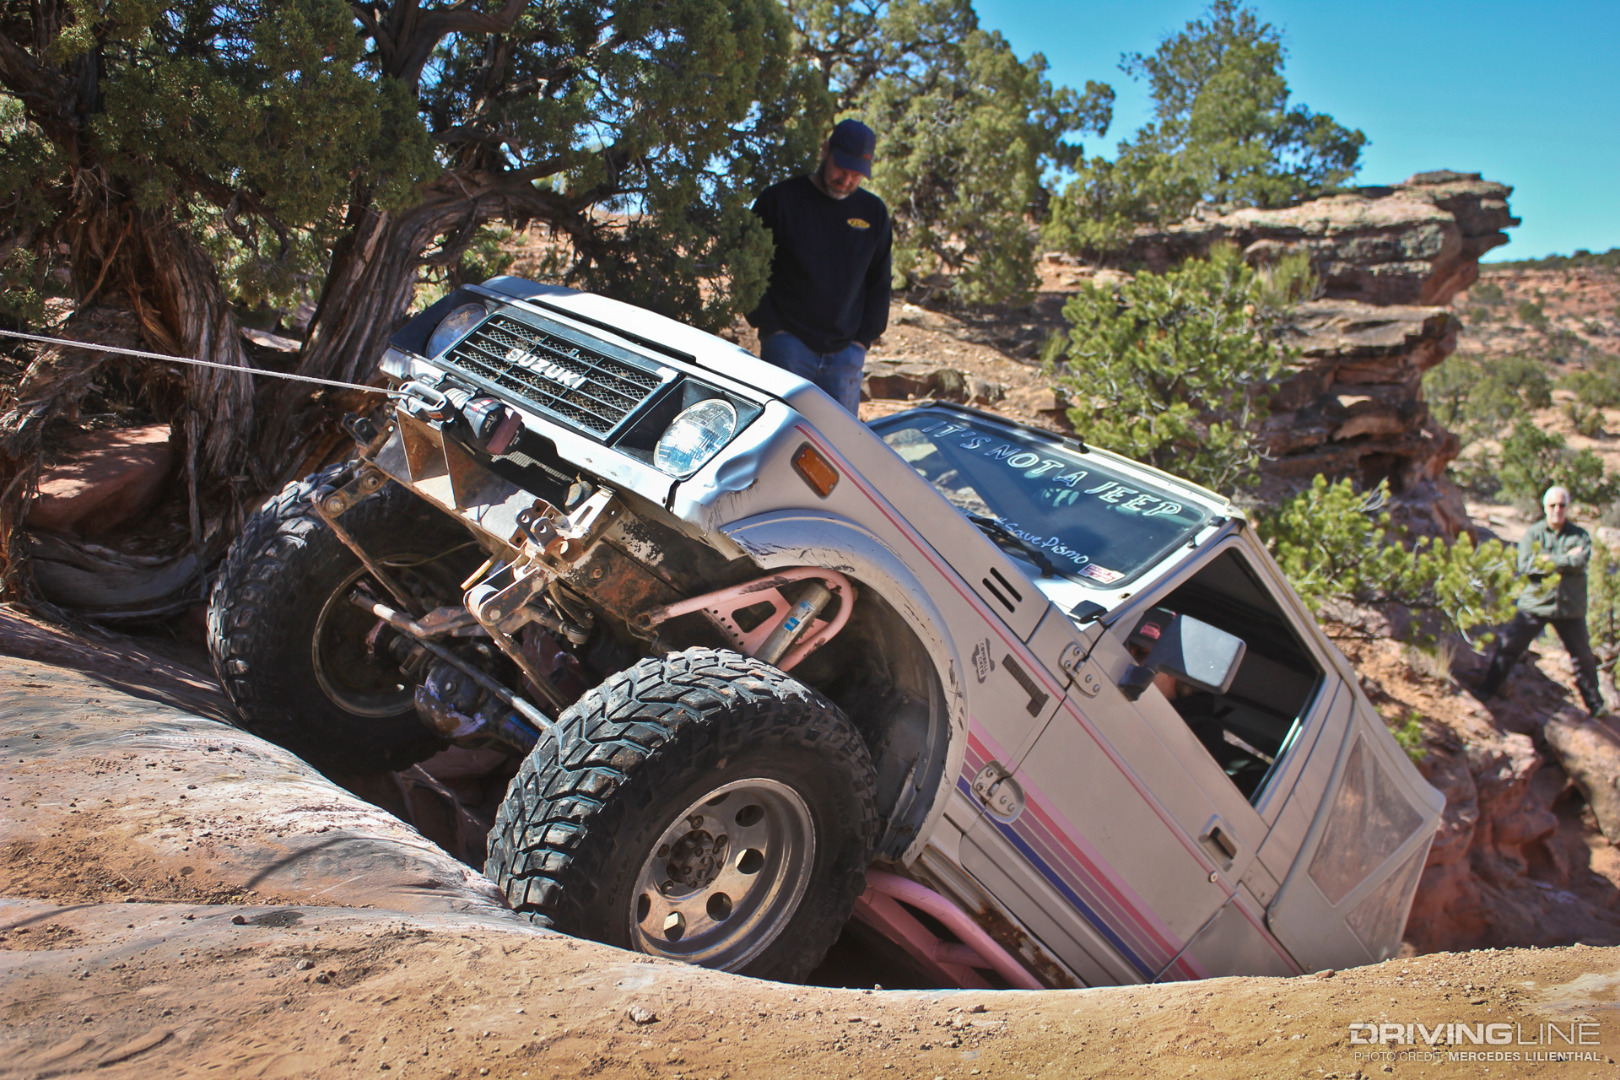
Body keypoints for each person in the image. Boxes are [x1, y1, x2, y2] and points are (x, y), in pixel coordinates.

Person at [747, 118, 892, 413]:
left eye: (857, 175)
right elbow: (750, 268)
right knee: (778, 435)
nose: (847, 180)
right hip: (787, 346)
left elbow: (880, 282)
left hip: (846, 355)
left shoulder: (873, 212)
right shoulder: (779, 200)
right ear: (826, 151)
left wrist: (862, 340)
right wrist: (771, 327)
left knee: (837, 450)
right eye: (842, 168)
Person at [1476, 485, 1606, 715]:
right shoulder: (1533, 534)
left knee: (1583, 658)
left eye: (1562, 505)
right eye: (1552, 505)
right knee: (1509, 647)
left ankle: (1595, 705)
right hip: (1535, 605)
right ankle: (1487, 690)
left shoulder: (1580, 535)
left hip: (1569, 609)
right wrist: (1565, 559)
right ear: (1545, 507)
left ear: (1568, 507)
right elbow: (1526, 565)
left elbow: (1580, 562)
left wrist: (1547, 561)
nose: (1557, 510)